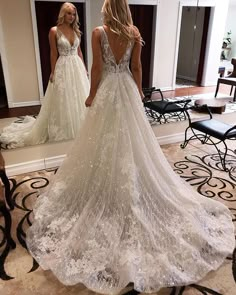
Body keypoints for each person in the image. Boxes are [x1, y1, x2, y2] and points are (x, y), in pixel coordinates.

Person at [26, 0, 235, 293]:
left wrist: (91, 95)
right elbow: (136, 66)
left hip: (108, 88)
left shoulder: (99, 33)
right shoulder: (134, 32)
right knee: (133, 144)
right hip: (126, 87)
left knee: (102, 142)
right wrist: (137, 91)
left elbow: (97, 67)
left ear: (109, 9)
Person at [0, 2, 89, 148]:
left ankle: (81, 127)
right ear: (63, 14)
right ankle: (64, 127)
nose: (71, 17)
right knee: (63, 98)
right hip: (63, 66)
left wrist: (84, 68)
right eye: (68, 13)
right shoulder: (54, 31)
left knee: (79, 95)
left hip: (77, 67)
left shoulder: (76, 31)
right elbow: (53, 53)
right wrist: (53, 71)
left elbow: (79, 52)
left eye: (73, 14)